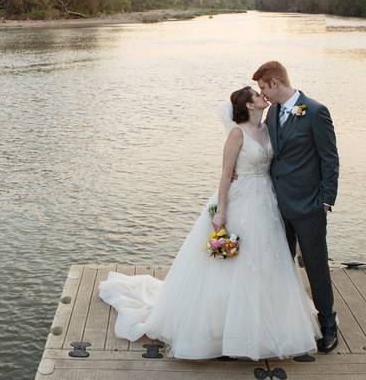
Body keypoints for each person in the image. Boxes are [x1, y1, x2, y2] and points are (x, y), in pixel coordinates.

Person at [98, 85, 321, 360]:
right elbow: (226, 175)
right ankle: (224, 330)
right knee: (233, 263)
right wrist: (221, 212)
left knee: (268, 259)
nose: (263, 96)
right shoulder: (237, 134)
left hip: (266, 200)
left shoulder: (267, 128)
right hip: (240, 202)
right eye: (257, 95)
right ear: (249, 106)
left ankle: (267, 324)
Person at [252, 60, 339, 353]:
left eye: (263, 87)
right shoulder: (273, 112)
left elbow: (330, 159)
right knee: (280, 263)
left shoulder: (315, 111)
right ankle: (283, 319)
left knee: (315, 265)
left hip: (309, 206)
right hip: (276, 204)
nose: (262, 93)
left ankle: (328, 322)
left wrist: (325, 201)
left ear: (275, 83)